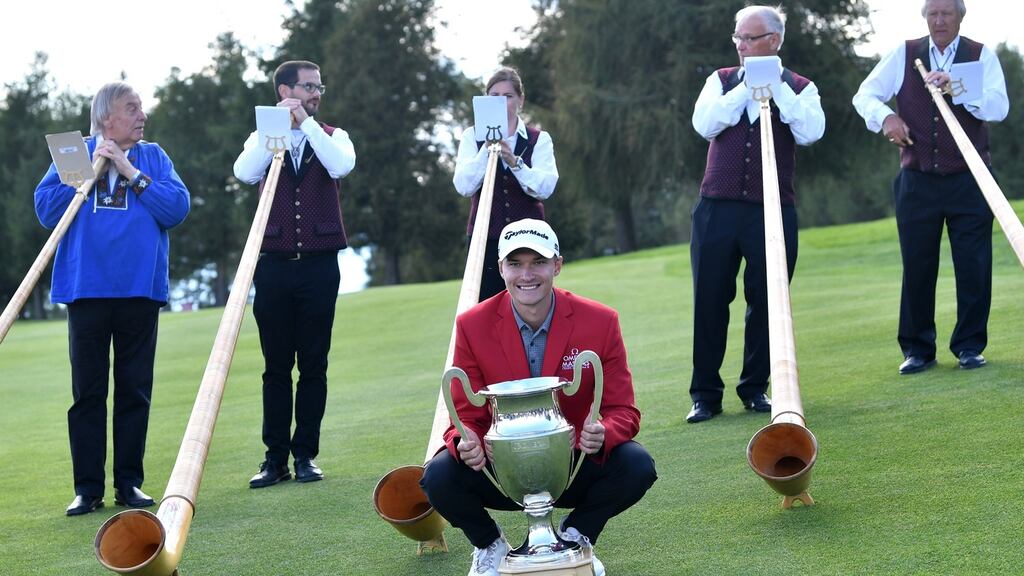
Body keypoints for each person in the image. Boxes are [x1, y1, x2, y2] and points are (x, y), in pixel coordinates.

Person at [420, 219, 656, 576]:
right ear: (501, 269)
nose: (526, 275)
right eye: (515, 264)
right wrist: (463, 439)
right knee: (437, 476)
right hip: (503, 467)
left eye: (538, 263)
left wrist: (605, 431)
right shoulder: (472, 325)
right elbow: (466, 414)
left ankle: (577, 538)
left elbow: (624, 410)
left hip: (574, 463)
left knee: (637, 465)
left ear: (557, 265)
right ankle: (490, 546)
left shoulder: (601, 320)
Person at [34, 82, 190, 516]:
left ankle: (129, 484)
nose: (142, 115)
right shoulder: (74, 152)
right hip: (86, 290)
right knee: (87, 394)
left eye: (141, 108)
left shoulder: (153, 157)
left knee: (134, 391)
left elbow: (176, 209)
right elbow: (46, 211)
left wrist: (128, 169)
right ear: (107, 118)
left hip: (139, 290)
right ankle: (87, 489)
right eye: (132, 108)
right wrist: (90, 171)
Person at [852, 0, 1008, 375]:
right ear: (924, 17)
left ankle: (970, 346)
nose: (939, 20)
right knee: (918, 265)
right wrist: (886, 116)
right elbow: (864, 96)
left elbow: (999, 108)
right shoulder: (904, 53)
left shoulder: (979, 55)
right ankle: (918, 350)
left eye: (946, 13)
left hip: (970, 178)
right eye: (932, 13)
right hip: (916, 178)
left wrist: (957, 87)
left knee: (974, 264)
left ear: (960, 17)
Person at [687, 5, 825, 423]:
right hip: (717, 207)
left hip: (773, 209)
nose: (742, 46)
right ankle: (705, 395)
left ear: (775, 41)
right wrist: (746, 86)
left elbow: (811, 131)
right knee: (710, 298)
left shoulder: (801, 86)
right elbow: (705, 123)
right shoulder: (722, 80)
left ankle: (755, 388)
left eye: (750, 39)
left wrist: (776, 87)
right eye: (738, 39)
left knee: (768, 301)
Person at [233, 60, 356, 488]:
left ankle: (306, 454)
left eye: (319, 86)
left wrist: (305, 123)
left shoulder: (333, 135)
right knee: (275, 367)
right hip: (274, 267)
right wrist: (276, 134)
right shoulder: (263, 136)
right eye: (307, 87)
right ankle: (274, 458)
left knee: (314, 365)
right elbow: (244, 172)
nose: (316, 93)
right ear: (285, 89)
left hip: (320, 266)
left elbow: (339, 166)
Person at [453, 68, 559, 302]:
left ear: (520, 100)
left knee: (531, 301)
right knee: (484, 305)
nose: (501, 102)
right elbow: (463, 186)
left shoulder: (539, 139)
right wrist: (486, 150)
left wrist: (514, 162)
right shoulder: (472, 137)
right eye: (494, 96)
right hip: (485, 238)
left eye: (508, 96)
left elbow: (545, 188)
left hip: (530, 235)